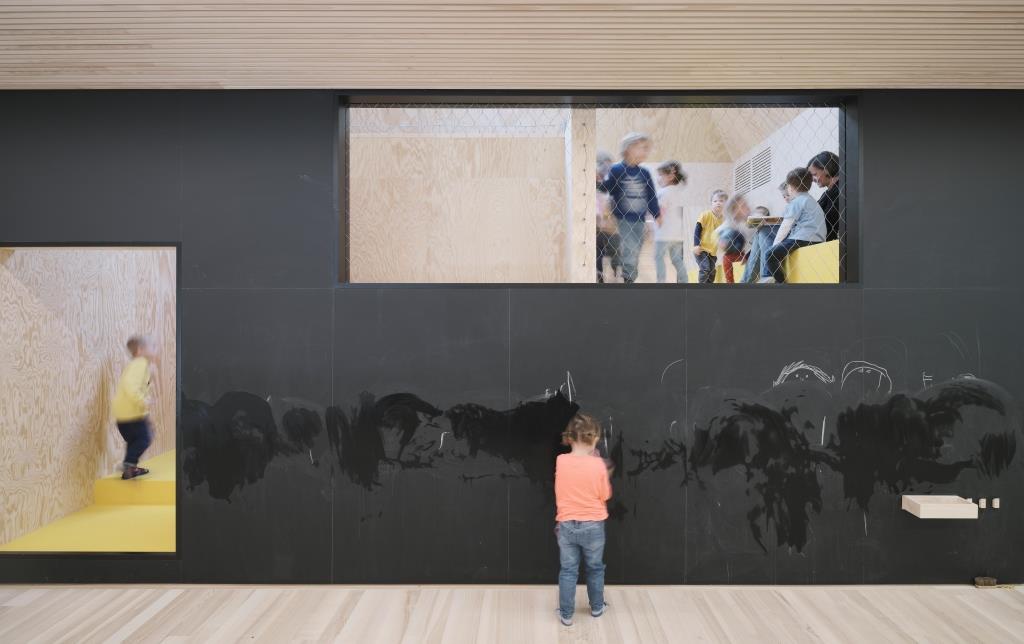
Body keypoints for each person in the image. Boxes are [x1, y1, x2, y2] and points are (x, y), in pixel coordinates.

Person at [555, 413, 612, 627]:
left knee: (568, 570)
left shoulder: (561, 461)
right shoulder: (598, 465)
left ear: (570, 437)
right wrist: (602, 470)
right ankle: (597, 607)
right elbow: (605, 494)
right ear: (594, 439)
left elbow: (561, 490)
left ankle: (566, 614)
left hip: (566, 524)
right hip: (593, 525)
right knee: (595, 568)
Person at [600, 133, 660, 283]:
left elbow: (651, 195)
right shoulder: (617, 169)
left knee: (636, 248)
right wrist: (597, 182)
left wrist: (656, 214)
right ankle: (628, 278)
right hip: (622, 218)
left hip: (639, 219)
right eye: (642, 148)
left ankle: (625, 270)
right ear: (628, 149)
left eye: (647, 149)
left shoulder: (644, 173)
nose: (645, 152)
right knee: (630, 249)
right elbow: (608, 188)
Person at [761, 168, 827, 283]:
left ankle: (780, 282)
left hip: (803, 238)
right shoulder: (810, 200)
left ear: (790, 187)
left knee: (770, 254)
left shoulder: (796, 202)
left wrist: (775, 245)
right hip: (818, 239)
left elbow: (785, 227)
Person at [112, 334, 157, 479]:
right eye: (152, 347)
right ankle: (129, 464)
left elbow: (134, 385)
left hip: (122, 415)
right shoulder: (141, 364)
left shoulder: (135, 365)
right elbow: (130, 386)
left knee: (134, 441)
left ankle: (130, 469)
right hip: (132, 414)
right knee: (145, 438)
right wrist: (143, 401)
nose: (155, 350)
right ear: (140, 350)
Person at [654, 161, 688, 283]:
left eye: (660, 175)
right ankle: (685, 282)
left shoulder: (663, 192)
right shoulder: (678, 192)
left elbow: (660, 211)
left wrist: (653, 224)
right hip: (677, 234)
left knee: (658, 257)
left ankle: (661, 282)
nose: (658, 178)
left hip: (664, 233)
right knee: (677, 260)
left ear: (670, 176)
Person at [595, 151, 621, 283]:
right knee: (598, 252)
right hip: (597, 224)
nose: (608, 167)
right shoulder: (592, 183)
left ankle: (616, 273)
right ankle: (600, 277)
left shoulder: (612, 181)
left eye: (610, 164)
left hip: (611, 224)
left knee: (615, 250)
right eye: (605, 164)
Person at [692, 190, 728, 283]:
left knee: (712, 272)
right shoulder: (706, 215)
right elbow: (697, 229)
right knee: (705, 269)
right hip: (701, 249)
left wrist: (724, 242)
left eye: (721, 201)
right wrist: (696, 245)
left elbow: (723, 234)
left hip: (712, 252)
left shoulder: (723, 220)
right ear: (711, 203)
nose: (718, 203)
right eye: (715, 201)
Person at [807, 151, 841, 242]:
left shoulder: (840, 191)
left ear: (826, 169)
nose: (812, 180)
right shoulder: (828, 193)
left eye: (814, 174)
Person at [718, 194, 751, 283]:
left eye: (746, 204)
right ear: (734, 211)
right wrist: (721, 241)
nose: (747, 207)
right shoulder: (729, 224)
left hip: (750, 252)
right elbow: (717, 233)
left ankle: (747, 278)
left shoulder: (750, 221)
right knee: (726, 258)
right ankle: (730, 282)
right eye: (743, 206)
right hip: (738, 252)